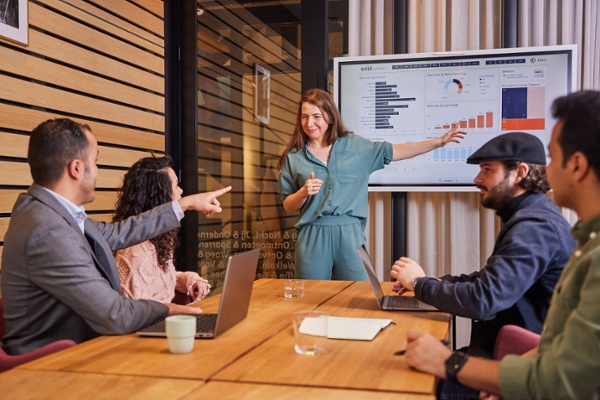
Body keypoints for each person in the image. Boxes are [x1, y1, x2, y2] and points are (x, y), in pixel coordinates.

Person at [401, 90, 600, 399]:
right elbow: (560, 342)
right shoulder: (543, 222)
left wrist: (449, 362)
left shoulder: (537, 226)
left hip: (504, 356)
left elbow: (563, 374)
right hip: (510, 359)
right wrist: (436, 283)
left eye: (553, 156)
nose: (477, 179)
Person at [1, 118, 231, 355]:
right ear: (77, 168)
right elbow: (115, 314)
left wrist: (185, 204)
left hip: (78, 350)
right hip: (51, 365)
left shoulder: (49, 213)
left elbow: (118, 232)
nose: (98, 171)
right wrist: (167, 310)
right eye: (96, 161)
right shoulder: (48, 229)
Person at [277, 88, 466, 280]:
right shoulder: (294, 157)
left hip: (350, 233)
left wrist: (439, 142)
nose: (309, 123)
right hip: (312, 235)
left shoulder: (355, 146)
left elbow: (395, 151)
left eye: (316, 116)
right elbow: (288, 204)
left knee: (360, 295)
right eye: (304, 117)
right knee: (310, 299)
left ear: (330, 117)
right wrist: (302, 193)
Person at [113, 155, 211, 303]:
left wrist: (191, 281)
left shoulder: (156, 239)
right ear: (161, 197)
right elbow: (138, 314)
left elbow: (160, 281)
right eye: (176, 185)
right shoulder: (135, 253)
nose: (181, 191)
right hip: (155, 325)